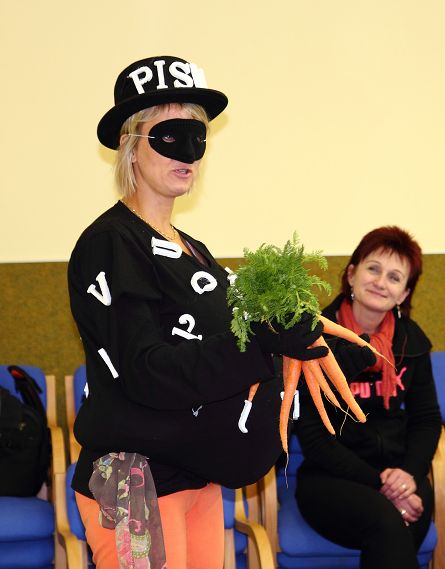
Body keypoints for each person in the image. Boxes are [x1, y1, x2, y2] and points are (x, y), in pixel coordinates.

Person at [67, 55, 327, 569]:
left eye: (197, 137)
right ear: (130, 144)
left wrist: (280, 334)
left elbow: (219, 353)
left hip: (195, 471)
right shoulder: (111, 244)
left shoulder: (193, 250)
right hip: (131, 475)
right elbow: (147, 370)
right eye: (169, 136)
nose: (188, 153)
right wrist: (256, 344)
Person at [294, 226, 442, 569]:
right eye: (373, 269)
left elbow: (426, 418)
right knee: (388, 522)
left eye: (394, 277)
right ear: (351, 274)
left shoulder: (411, 342)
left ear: (404, 293)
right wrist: (381, 485)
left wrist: (408, 474)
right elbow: (314, 438)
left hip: (400, 474)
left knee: (402, 523)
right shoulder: (315, 338)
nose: (380, 282)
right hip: (330, 477)